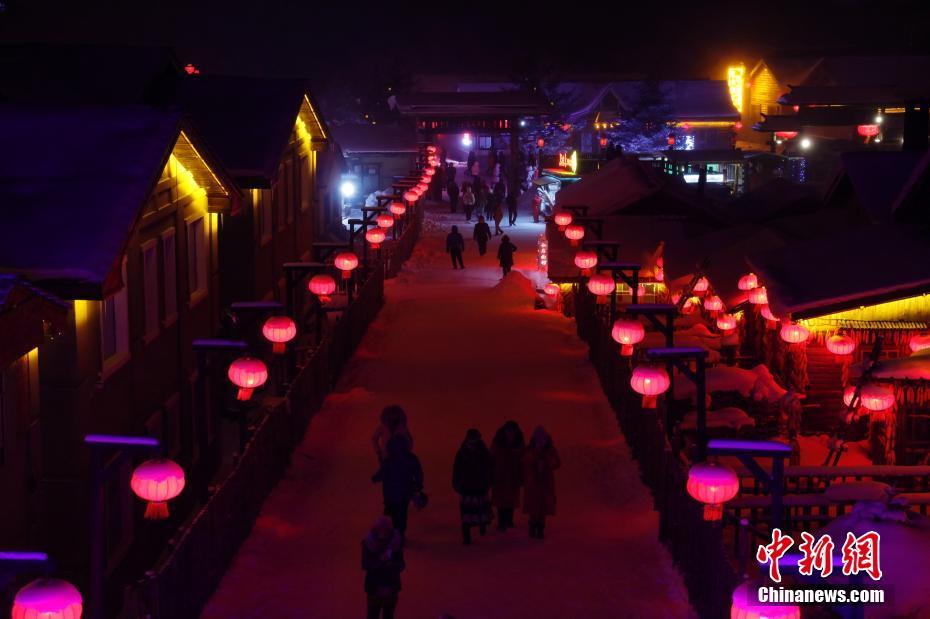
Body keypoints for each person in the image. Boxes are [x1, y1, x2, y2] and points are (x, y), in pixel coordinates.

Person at [373, 435, 423, 542]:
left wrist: (375, 478)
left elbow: (382, 473)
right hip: (405, 492)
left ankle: (397, 533)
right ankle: (400, 532)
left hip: (390, 492)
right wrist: (418, 484)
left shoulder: (389, 460)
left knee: (395, 514)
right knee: (402, 512)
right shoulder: (410, 458)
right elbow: (418, 472)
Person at [452, 428, 494, 545]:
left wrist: (488, 481)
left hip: (479, 486)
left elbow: (490, 469)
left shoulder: (483, 453)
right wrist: (457, 484)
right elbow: (457, 470)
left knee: (478, 512)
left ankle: (481, 527)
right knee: (467, 515)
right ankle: (467, 538)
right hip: (468, 487)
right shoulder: (463, 453)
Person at [362, 516, 405, 619]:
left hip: (391, 587)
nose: (383, 534)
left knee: (388, 616)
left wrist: (390, 563)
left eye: (385, 530)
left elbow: (402, 565)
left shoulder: (396, 543)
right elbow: (365, 564)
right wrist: (380, 562)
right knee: (373, 615)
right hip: (374, 588)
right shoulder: (368, 543)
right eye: (380, 530)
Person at [523, 426, 560, 539]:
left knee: (543, 507)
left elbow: (556, 463)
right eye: (538, 439)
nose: (540, 442)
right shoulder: (530, 449)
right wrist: (535, 456)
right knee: (533, 506)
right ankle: (532, 527)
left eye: (542, 439)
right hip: (533, 483)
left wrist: (547, 461)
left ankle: (540, 528)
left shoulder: (551, 450)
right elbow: (525, 460)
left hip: (545, 483)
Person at [491, 421, 525, 531]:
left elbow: (523, 462)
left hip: (512, 477)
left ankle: (508, 521)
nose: (510, 433)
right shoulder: (497, 444)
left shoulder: (519, 445)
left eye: (512, 431)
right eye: (509, 431)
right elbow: (491, 460)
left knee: (510, 500)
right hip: (500, 477)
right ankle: (502, 522)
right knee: (501, 501)